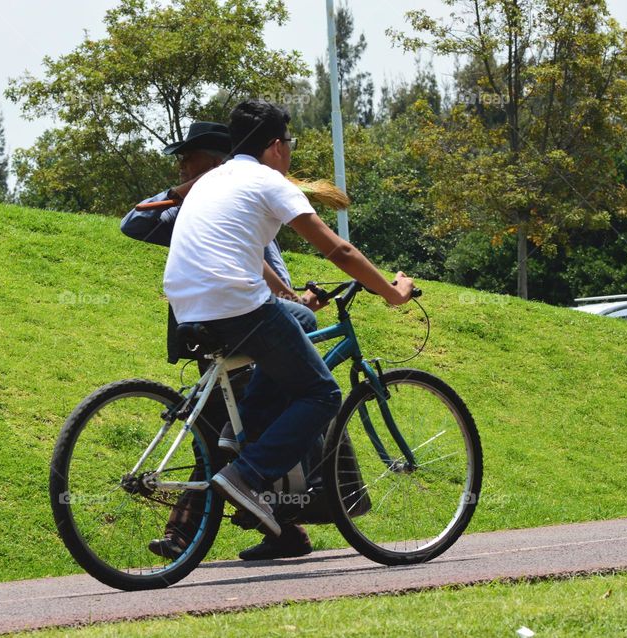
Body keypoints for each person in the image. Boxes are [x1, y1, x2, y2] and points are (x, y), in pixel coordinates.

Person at [163, 100, 414, 541]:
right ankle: (247, 473)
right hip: (237, 306)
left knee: (296, 319)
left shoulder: (209, 180)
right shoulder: (268, 181)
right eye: (290, 143)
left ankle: (237, 434)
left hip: (186, 306)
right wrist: (391, 293)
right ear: (277, 146)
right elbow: (339, 251)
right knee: (321, 394)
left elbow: (233, 252)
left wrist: (285, 293)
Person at [120, 121, 320, 560]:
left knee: (247, 428)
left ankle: (280, 527)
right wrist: (188, 185)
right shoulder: (195, 203)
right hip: (234, 331)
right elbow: (133, 222)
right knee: (223, 434)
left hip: (259, 321)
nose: (181, 163)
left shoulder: (246, 197)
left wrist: (296, 302)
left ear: (216, 159)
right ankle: (242, 525)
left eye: (188, 157)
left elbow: (266, 270)